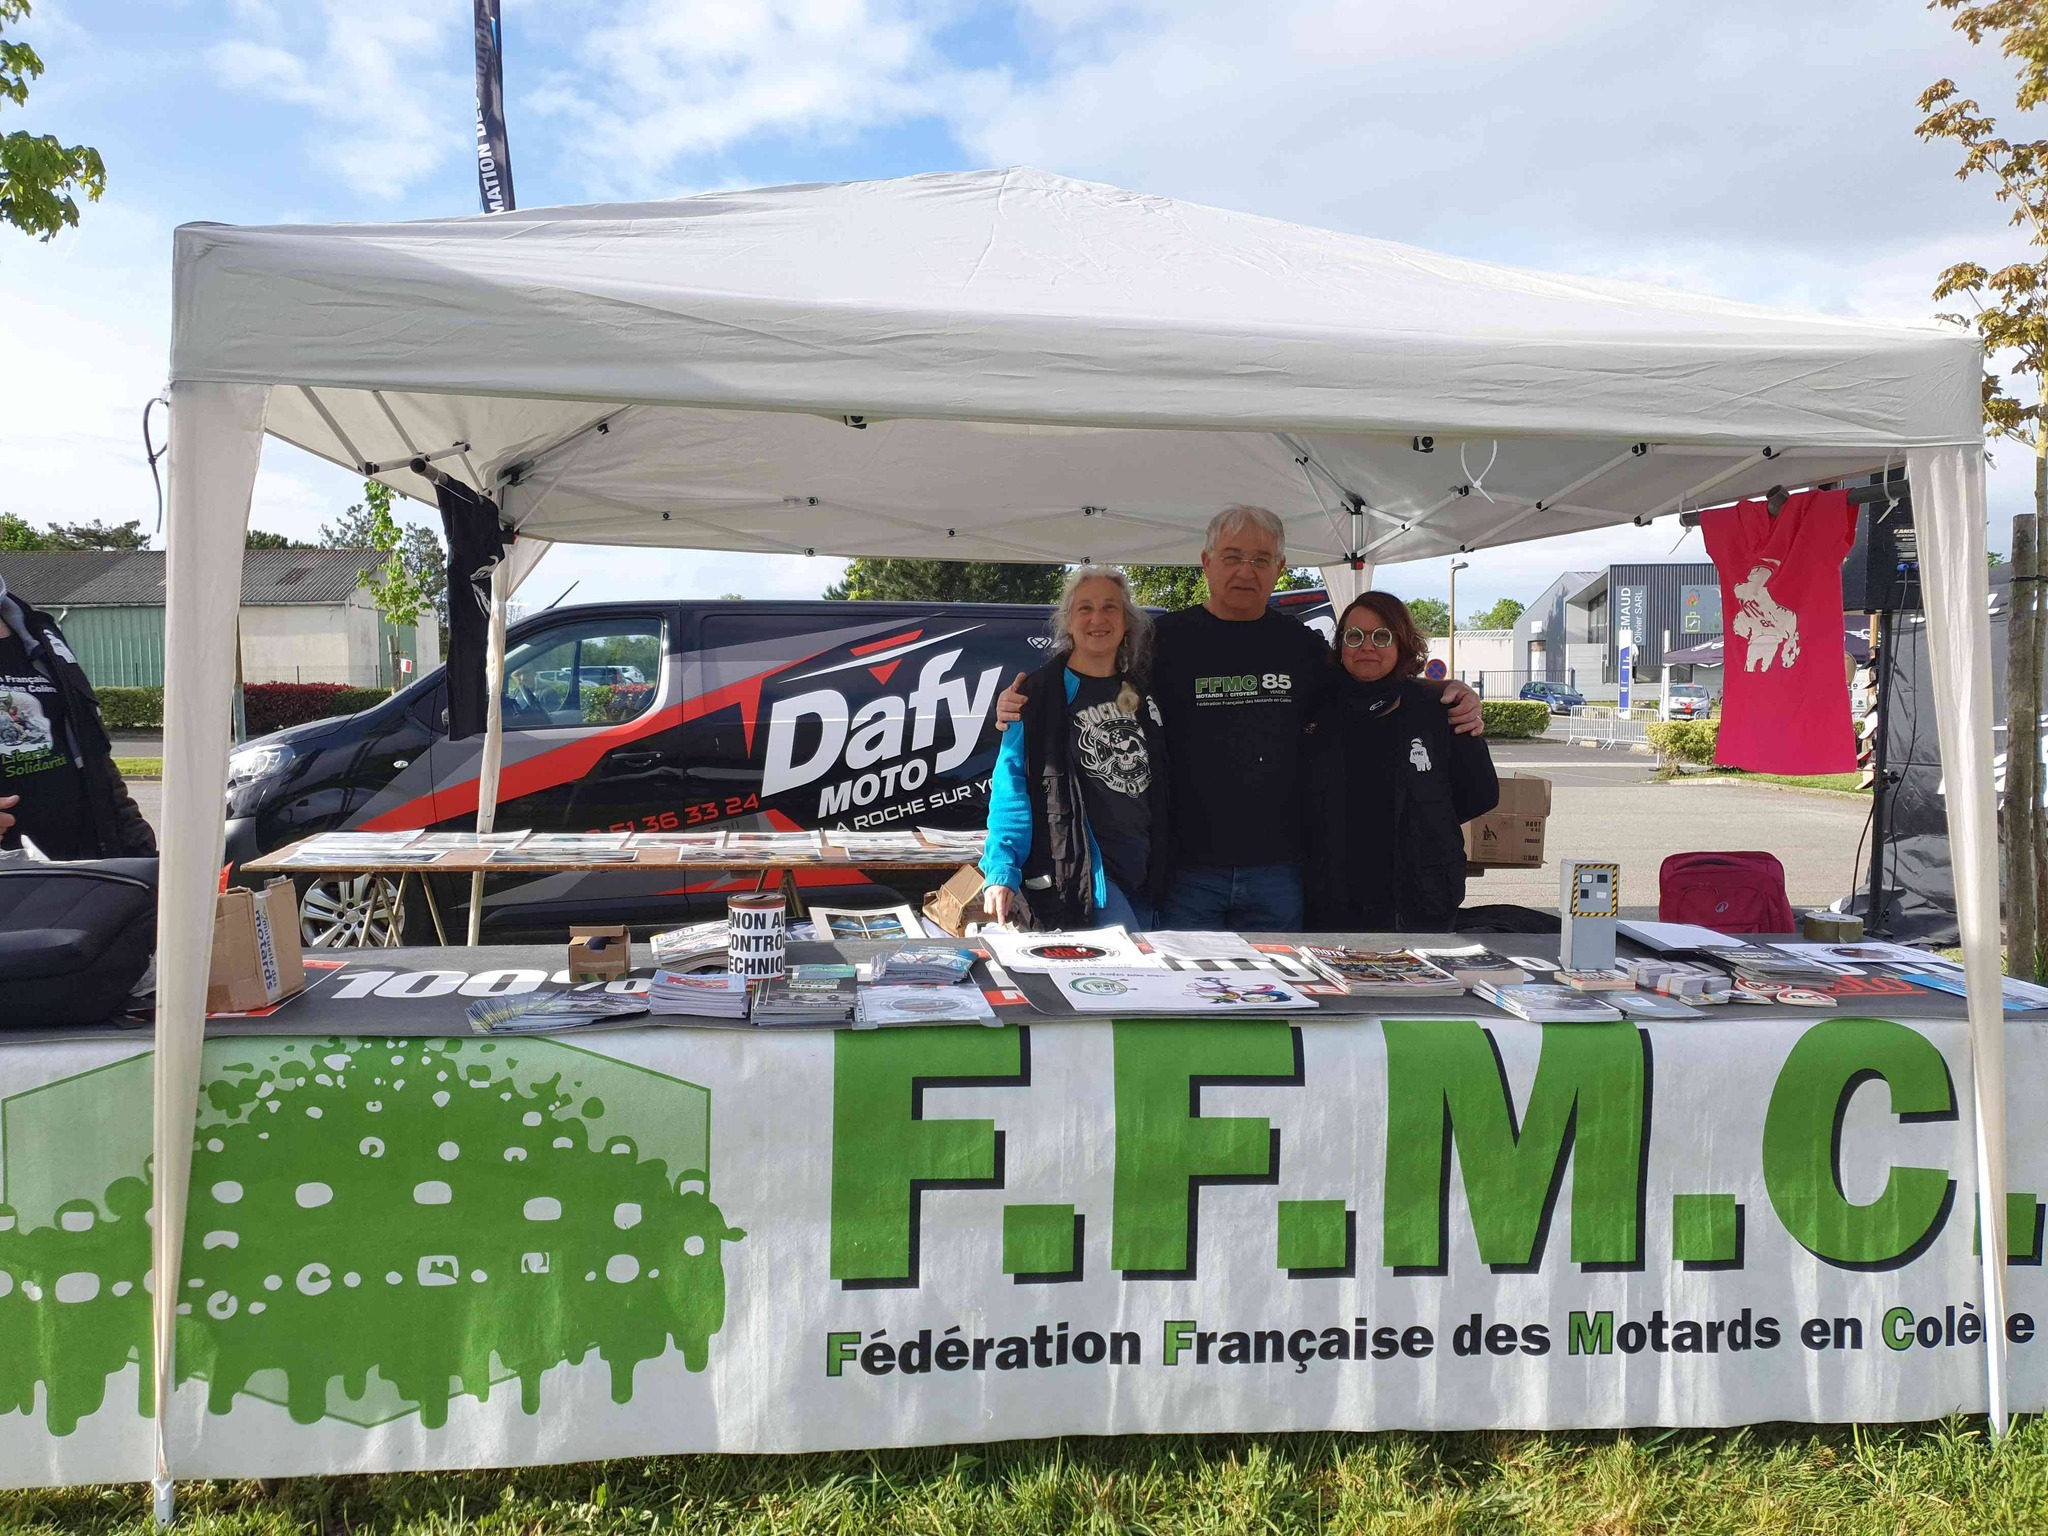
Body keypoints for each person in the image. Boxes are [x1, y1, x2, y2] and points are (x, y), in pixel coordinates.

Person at [997, 505, 1483, 930]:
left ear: (1280, 568)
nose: (1245, 571)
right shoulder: (1164, 642)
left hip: (1280, 871)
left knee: (1279, 994)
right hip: (1187, 872)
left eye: (1260, 559)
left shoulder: (1300, 645)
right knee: (1188, 994)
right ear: (1206, 563)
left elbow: (1365, 681)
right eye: (1232, 557)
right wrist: (1023, 701)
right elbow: (1101, 684)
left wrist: (1443, 689)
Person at [981, 565, 1172, 931]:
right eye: (1085, 608)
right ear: (1068, 622)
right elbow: (1011, 785)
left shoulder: (1145, 690)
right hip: (1089, 877)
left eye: (1110, 607)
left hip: (1149, 876)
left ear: (1126, 621)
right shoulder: (1037, 694)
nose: (1097, 619)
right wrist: (1001, 869)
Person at [1302, 592, 1498, 931]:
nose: (1366, 646)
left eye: (1381, 636)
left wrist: (1425, 821)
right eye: (1354, 636)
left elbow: (1481, 793)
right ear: (1341, 645)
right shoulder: (1316, 712)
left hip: (1420, 897)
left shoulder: (1440, 709)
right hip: (1330, 899)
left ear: (1402, 643)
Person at [0, 571, 156, 861]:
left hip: (82, 863)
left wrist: (134, 839)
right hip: (11, 878)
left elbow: (92, 750)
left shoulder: (37, 630)